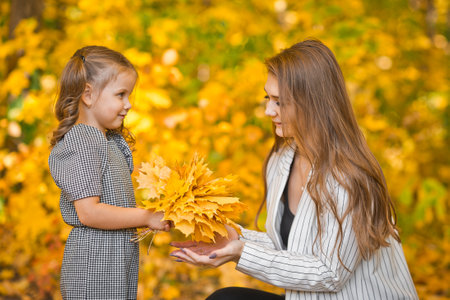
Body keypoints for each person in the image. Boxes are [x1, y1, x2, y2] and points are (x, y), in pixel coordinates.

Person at [170, 39, 418, 300]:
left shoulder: (350, 176)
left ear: (314, 103)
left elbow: (329, 273)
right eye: (268, 97)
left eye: (280, 102)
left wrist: (241, 252)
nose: (268, 110)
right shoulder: (283, 159)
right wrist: (234, 238)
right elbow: (290, 249)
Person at [48, 45, 170, 299]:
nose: (128, 105)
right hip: (94, 263)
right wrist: (146, 216)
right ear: (88, 95)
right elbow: (89, 212)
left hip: (115, 258)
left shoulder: (108, 140)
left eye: (129, 95)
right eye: (121, 95)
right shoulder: (83, 141)